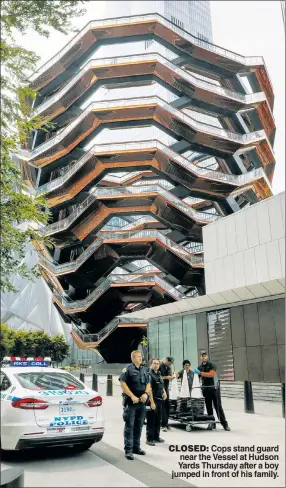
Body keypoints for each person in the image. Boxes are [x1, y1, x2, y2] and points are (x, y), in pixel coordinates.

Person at [119, 350, 151, 460]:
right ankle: (128, 450)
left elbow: (148, 384)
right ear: (133, 358)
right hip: (131, 402)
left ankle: (136, 448)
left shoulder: (144, 369)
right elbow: (122, 383)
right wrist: (132, 396)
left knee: (139, 426)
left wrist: (146, 394)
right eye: (138, 357)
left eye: (141, 356)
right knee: (130, 426)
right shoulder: (127, 369)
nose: (140, 358)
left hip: (142, 402)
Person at [193, 351, 230, 431]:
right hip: (206, 389)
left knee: (218, 406)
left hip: (214, 388)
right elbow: (196, 378)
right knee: (209, 407)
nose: (204, 357)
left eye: (205, 356)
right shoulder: (199, 367)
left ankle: (224, 424)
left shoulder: (212, 364)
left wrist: (200, 373)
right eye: (202, 356)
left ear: (207, 356)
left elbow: (211, 374)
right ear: (200, 357)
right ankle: (211, 423)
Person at [146, 358, 167, 446]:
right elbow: (149, 389)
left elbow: (161, 385)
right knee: (151, 420)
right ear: (151, 364)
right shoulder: (149, 375)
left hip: (159, 400)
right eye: (154, 363)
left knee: (158, 419)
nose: (156, 365)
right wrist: (152, 402)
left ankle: (156, 437)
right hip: (152, 400)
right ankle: (149, 439)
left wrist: (164, 392)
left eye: (157, 363)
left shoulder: (159, 374)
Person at [159, 356, 174, 432]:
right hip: (161, 388)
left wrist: (172, 377)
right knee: (163, 406)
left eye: (171, 363)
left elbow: (169, 376)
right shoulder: (160, 366)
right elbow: (157, 377)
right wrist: (166, 377)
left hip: (166, 388)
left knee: (167, 406)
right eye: (169, 362)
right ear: (166, 360)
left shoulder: (168, 367)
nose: (170, 364)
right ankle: (162, 424)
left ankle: (166, 423)